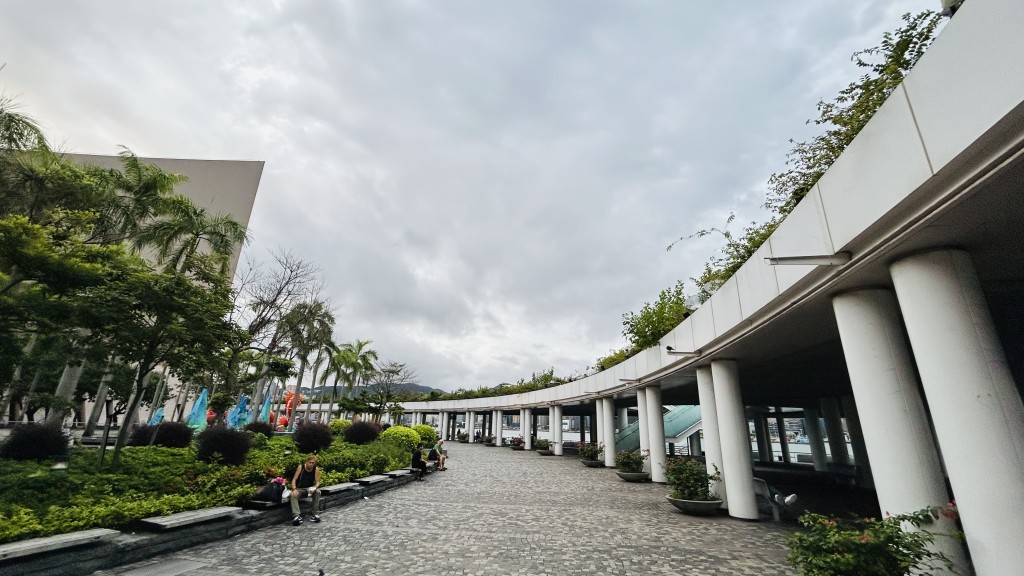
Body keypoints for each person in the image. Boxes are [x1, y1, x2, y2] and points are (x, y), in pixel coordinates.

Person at [290, 454, 322, 525]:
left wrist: (314, 487)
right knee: (293, 495)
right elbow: (294, 480)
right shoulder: (301, 467)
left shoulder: (315, 469)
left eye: (313, 463)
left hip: (309, 489)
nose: (311, 464)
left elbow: (317, 482)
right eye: (310, 462)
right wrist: (294, 489)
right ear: (307, 462)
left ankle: (315, 514)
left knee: (317, 492)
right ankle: (297, 516)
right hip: (300, 489)